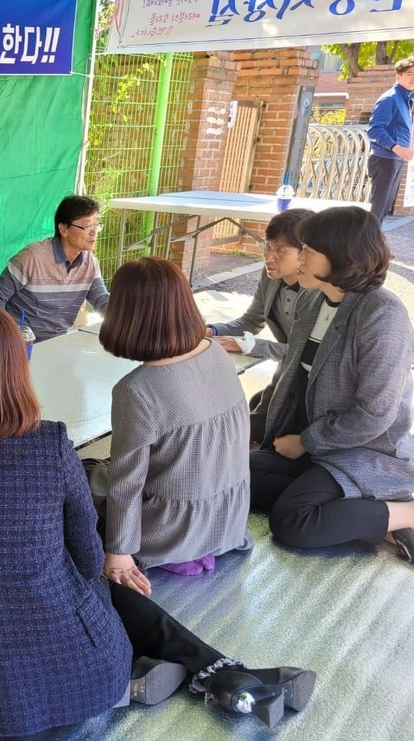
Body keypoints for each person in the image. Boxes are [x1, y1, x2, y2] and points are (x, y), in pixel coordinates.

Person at [0, 303, 315, 739]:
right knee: (104, 585)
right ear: (14, 369)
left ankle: (156, 679)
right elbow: (86, 556)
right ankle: (193, 675)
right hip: (73, 688)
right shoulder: (48, 442)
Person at [250, 207, 414, 563]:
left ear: (342, 256)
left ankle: (408, 511)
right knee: (235, 478)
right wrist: (261, 428)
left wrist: (306, 441)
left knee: (294, 522)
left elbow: (374, 416)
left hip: (365, 451)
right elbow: (290, 376)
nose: (300, 257)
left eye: (308, 250)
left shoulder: (382, 315)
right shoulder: (312, 298)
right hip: (317, 448)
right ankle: (352, 506)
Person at [92, 258, 252, 582]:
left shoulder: (136, 390)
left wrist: (120, 556)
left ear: (125, 314)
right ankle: (199, 546)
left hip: (168, 531)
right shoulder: (216, 352)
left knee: (85, 476)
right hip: (227, 522)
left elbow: (128, 481)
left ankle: (170, 552)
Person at [0, 194, 109, 342]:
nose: (94, 232)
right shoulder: (31, 258)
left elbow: (102, 300)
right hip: (23, 344)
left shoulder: (90, 262)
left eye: (96, 225)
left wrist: (133, 319)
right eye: (87, 226)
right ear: (64, 229)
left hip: (59, 342)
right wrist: (7, 339)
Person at [206, 208, 315, 362]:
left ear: (305, 252)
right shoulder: (271, 275)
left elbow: (315, 355)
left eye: (280, 251)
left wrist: (250, 346)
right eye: (267, 247)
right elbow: (251, 322)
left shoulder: (322, 290)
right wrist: (211, 331)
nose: (268, 258)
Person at [366, 56, 414, 224]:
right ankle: (366, 248)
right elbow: (375, 129)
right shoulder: (390, 98)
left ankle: (372, 247)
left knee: (383, 209)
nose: (413, 78)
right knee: (377, 209)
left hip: (396, 159)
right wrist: (396, 147)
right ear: (398, 76)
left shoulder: (407, 100)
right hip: (384, 158)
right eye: (409, 73)